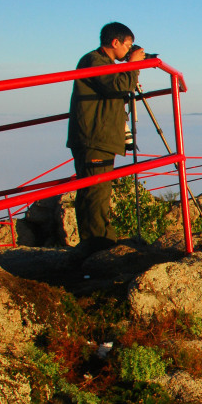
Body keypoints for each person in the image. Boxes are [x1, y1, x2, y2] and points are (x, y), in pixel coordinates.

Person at [66, 22, 146, 253]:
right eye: (128, 45)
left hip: (97, 135)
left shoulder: (103, 62)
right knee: (96, 193)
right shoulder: (94, 61)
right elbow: (119, 86)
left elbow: (117, 88)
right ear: (115, 42)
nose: (129, 50)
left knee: (94, 190)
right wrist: (133, 66)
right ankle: (98, 245)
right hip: (94, 137)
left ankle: (95, 241)